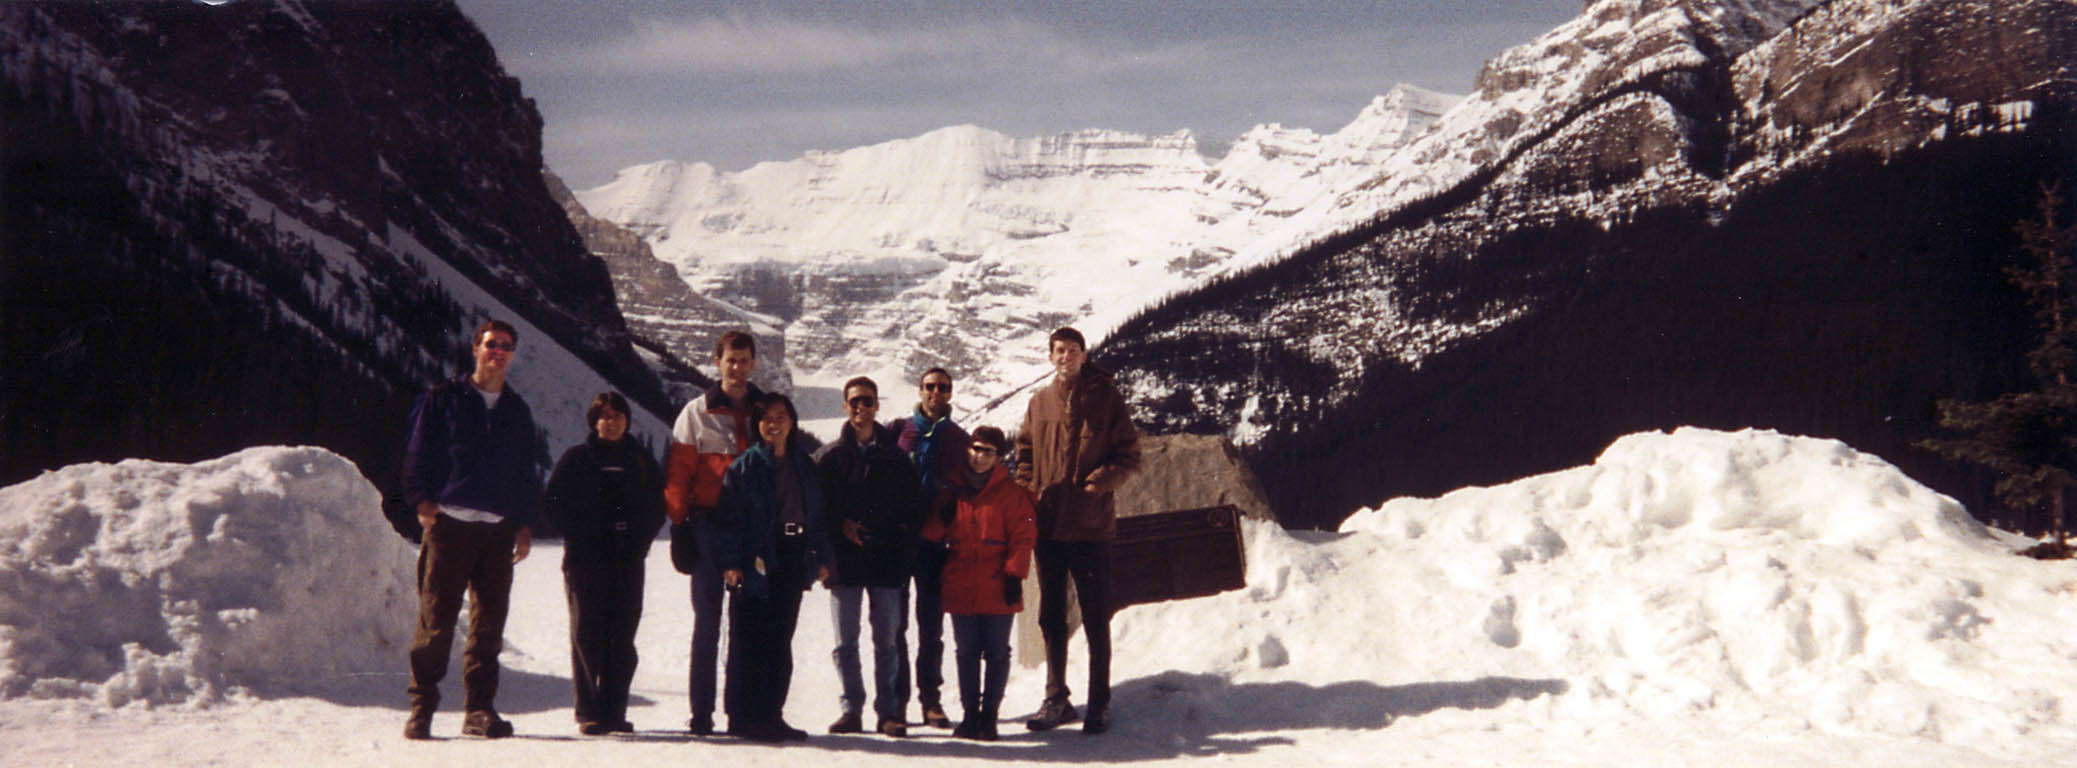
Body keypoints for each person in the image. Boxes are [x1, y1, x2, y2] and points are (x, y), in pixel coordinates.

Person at [400, 319, 541, 740]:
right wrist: (421, 501)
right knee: (436, 619)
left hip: (497, 530)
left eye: (506, 346)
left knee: (488, 625)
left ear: (512, 355)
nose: (498, 352)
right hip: (450, 526)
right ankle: (421, 708)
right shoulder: (444, 399)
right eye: (491, 344)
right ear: (475, 349)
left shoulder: (517, 410)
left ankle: (479, 710)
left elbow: (524, 472)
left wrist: (523, 523)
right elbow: (417, 452)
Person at [1016, 326, 1140, 735]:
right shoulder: (1040, 402)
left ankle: (1099, 701)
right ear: (1050, 357)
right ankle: (1056, 699)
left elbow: (1128, 455)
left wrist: (1098, 484)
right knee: (1051, 616)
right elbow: (1026, 452)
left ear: (1084, 356)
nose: (1066, 357)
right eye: (1059, 351)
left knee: (1095, 615)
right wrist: (1029, 489)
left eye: (1073, 350)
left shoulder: (1107, 399)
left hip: (1090, 527)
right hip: (1050, 527)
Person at [543, 392, 665, 736]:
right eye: (604, 416)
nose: (611, 422)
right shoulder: (577, 459)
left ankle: (615, 710)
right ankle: (589, 711)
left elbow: (658, 506)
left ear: (627, 420)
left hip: (627, 560)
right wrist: (581, 533)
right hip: (585, 560)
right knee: (587, 633)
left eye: (618, 415)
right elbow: (552, 504)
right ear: (594, 421)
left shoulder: (640, 459)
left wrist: (639, 541)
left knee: (622, 637)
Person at [715, 392, 832, 742]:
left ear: (792, 422)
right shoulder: (744, 467)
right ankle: (742, 717)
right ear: (758, 424)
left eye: (781, 416)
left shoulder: (804, 465)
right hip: (757, 558)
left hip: (793, 555)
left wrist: (823, 557)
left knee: (780, 640)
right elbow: (730, 520)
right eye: (766, 417)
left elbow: (818, 517)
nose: (774, 423)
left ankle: (771, 715)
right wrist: (732, 563)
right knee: (749, 638)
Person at [664, 330, 764, 735]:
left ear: (754, 363)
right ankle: (701, 713)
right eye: (730, 360)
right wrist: (679, 525)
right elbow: (677, 475)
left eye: (744, 360)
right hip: (706, 526)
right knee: (707, 623)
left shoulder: (764, 412)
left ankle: (739, 712)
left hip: (750, 529)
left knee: (746, 623)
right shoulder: (696, 412)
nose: (737, 368)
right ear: (717, 362)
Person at [816, 377, 924, 737]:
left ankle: (889, 710)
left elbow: (913, 509)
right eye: (854, 401)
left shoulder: (895, 457)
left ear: (877, 405)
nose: (860, 407)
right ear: (845, 407)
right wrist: (839, 527)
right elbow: (817, 509)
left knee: (887, 641)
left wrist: (892, 535)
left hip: (886, 560)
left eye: (867, 400)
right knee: (844, 641)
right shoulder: (829, 457)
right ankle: (852, 709)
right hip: (843, 561)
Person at [930, 426, 1036, 741]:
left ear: (998, 456)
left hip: (997, 582)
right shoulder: (953, 491)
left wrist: (1015, 574)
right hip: (961, 582)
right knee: (966, 652)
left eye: (987, 451)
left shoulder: (1012, 494)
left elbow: (1024, 535)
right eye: (975, 449)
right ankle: (969, 716)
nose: (979, 457)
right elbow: (932, 533)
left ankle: (989, 716)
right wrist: (941, 517)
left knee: (997, 652)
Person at [894, 367, 968, 729]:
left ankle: (931, 700)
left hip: (935, 544)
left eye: (942, 387)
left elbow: (968, 491)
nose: (935, 392)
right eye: (929, 386)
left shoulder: (959, 438)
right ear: (919, 390)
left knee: (930, 627)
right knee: (894, 626)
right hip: (899, 541)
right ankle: (895, 703)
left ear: (950, 393)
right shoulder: (898, 431)